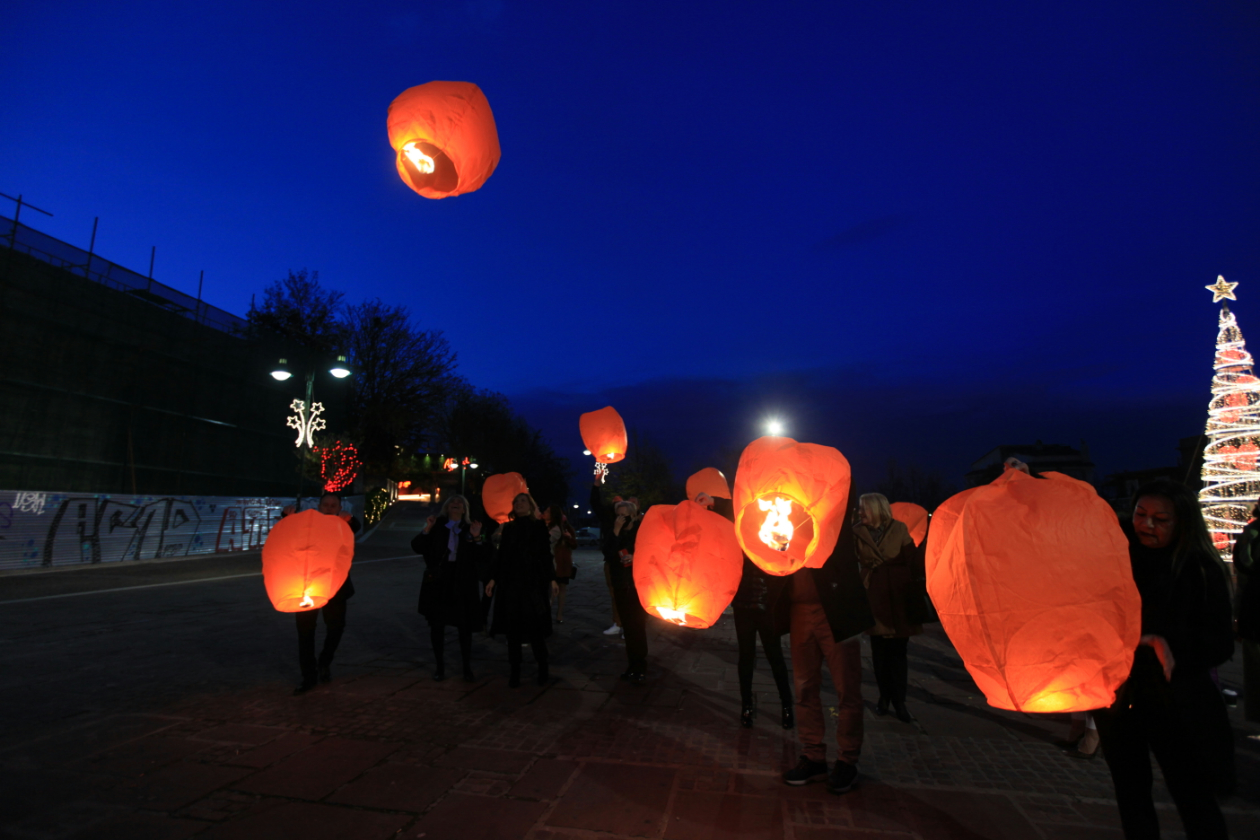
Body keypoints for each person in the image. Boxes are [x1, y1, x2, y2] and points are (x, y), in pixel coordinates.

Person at [1093, 478, 1234, 839]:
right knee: (1131, 791)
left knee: (1192, 794)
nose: (1147, 524)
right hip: (1118, 695)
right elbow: (1072, 517)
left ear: (1182, 522)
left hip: (1175, 700)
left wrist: (1172, 649)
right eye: (1141, 514)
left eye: (1160, 519)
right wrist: (1027, 479)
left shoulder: (1201, 569)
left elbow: (1220, 644)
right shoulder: (1116, 554)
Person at [782, 483, 875, 795]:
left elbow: (843, 488)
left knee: (846, 688)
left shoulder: (834, 520)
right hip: (799, 611)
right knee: (804, 688)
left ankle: (847, 759)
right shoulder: (784, 520)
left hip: (836, 609)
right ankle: (813, 756)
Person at [697, 490, 794, 729]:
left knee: (775, 657)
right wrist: (714, 501)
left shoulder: (778, 533)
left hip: (767, 608)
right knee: (746, 657)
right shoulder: (742, 533)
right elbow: (735, 510)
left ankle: (786, 705)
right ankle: (746, 705)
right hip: (743, 606)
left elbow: (785, 564)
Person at [853, 492, 920, 723]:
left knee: (899, 653)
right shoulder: (856, 532)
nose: (860, 512)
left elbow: (913, 560)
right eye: (860, 508)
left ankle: (899, 701)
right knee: (879, 652)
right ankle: (884, 697)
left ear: (876, 509)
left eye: (864, 508)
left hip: (897, 595)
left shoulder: (899, 529)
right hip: (873, 594)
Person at [284, 493, 360, 694]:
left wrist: (349, 519)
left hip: (335, 587)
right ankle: (308, 676)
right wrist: (286, 517)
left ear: (340, 507)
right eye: (325, 504)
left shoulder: (343, 525)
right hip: (305, 586)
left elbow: (355, 528)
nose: (329, 508)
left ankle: (324, 662)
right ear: (319, 506)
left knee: (336, 628)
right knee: (305, 632)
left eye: (333, 505)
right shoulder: (309, 525)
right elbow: (288, 533)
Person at [487, 494, 559, 686]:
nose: (519, 504)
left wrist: (552, 579)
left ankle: (542, 667)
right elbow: (502, 556)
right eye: (516, 501)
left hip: (532, 583)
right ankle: (515, 670)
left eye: (523, 501)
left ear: (530, 506)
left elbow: (545, 554)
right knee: (513, 629)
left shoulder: (538, 526)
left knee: (535, 628)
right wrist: (494, 578)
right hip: (511, 584)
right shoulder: (509, 528)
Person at [413, 494, 485, 682]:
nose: (455, 504)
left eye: (460, 503)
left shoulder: (470, 528)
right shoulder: (437, 526)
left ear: (465, 509)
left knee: (464, 626)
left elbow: (481, 557)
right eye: (452, 502)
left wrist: (477, 537)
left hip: (463, 581)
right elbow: (417, 546)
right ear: (446, 507)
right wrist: (427, 528)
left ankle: (466, 667)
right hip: (440, 580)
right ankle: (440, 667)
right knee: (437, 624)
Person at [591, 478, 647, 682]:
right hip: (620, 583)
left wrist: (635, 557)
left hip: (636, 585)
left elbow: (651, 553)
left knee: (637, 627)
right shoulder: (615, 532)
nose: (621, 519)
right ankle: (632, 665)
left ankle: (640, 667)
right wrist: (615, 531)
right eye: (618, 515)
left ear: (633, 514)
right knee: (628, 628)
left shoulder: (640, 531)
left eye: (625, 515)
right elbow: (607, 552)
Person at [1232, 503, 1260, 723]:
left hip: (1254, 612)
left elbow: (1242, 577)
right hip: (1254, 612)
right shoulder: (1251, 534)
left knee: (1255, 671)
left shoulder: (1250, 534)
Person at [544, 505, 578, 623]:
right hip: (556, 560)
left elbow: (574, 544)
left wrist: (569, 538)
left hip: (562, 561)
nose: (545, 512)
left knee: (561, 587)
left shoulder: (564, 528)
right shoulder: (547, 526)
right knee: (553, 588)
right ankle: (550, 613)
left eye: (548, 511)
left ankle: (559, 614)